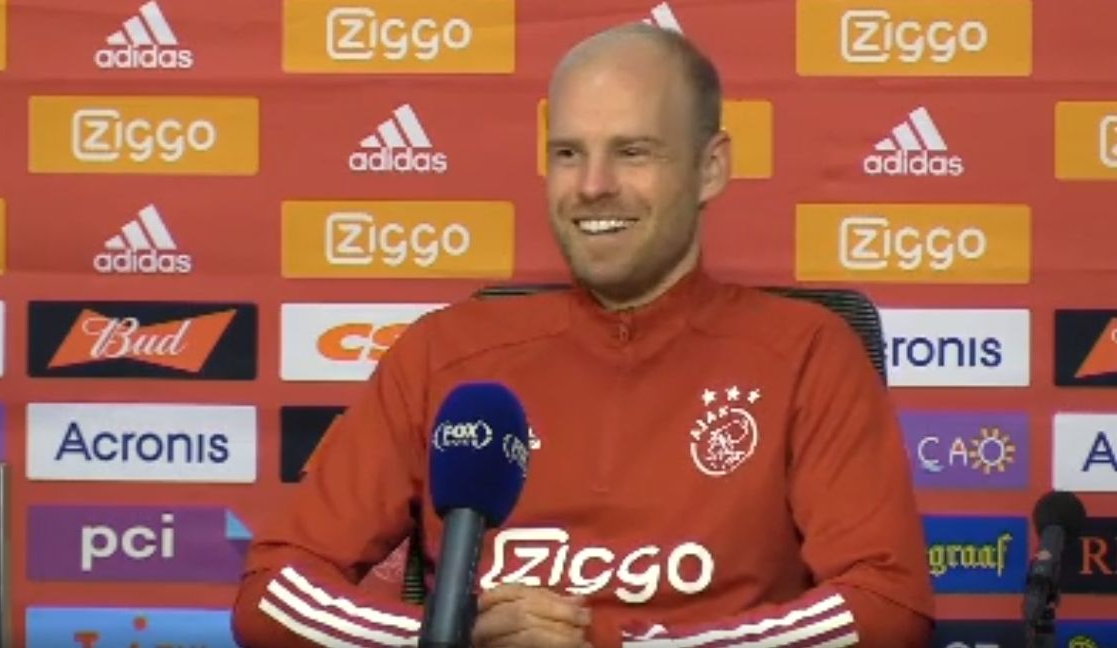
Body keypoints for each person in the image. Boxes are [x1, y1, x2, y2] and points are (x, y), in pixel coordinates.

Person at [231, 23, 936, 648]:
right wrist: (448, 634)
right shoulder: (445, 353)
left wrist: (617, 644)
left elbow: (886, 605)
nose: (593, 185)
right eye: (569, 153)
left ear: (710, 168)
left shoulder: (808, 352)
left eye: (632, 152)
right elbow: (273, 594)